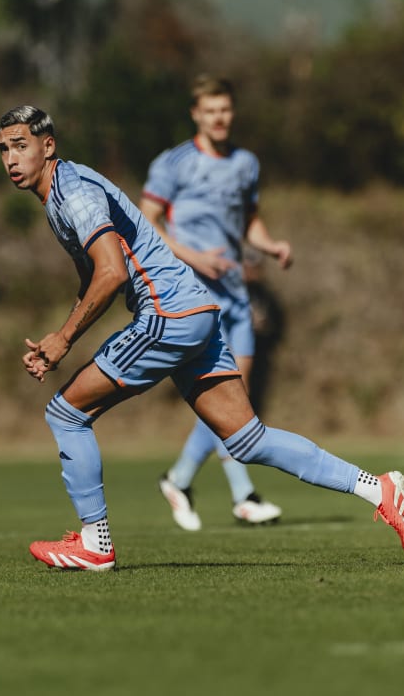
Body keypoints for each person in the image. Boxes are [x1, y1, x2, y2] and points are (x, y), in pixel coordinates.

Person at [0, 103, 404, 571]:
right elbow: (94, 278)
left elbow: (112, 274)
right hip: (195, 312)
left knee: (67, 413)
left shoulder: (72, 191)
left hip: (168, 315)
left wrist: (64, 339)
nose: (12, 159)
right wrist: (62, 336)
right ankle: (378, 488)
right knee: (248, 440)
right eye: (4, 150)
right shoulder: (59, 195)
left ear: (47, 147)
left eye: (21, 146)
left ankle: (96, 544)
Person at [140, 75, 289, 530]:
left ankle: (182, 478)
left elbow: (250, 222)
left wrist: (272, 245)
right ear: (196, 114)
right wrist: (194, 257)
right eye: (210, 111)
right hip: (194, 294)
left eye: (225, 109)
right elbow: (147, 222)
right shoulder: (174, 164)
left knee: (234, 400)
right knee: (230, 399)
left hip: (236, 297)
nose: (219, 118)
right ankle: (241, 494)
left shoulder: (245, 163)